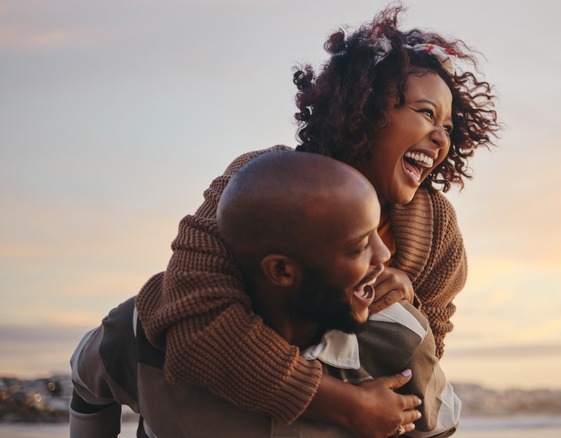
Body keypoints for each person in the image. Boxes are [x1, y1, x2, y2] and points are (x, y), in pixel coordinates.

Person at [135, 4, 498, 437]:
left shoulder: (436, 227)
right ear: (365, 107)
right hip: (215, 411)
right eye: (425, 113)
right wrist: (344, 405)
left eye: (449, 126)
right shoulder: (260, 182)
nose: (441, 138)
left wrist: (409, 308)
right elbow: (195, 323)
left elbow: (424, 363)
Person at [70, 151, 460, 437]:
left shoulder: (400, 339)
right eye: (359, 246)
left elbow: (438, 428)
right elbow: (87, 383)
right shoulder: (146, 329)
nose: (386, 255)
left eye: (380, 231)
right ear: (281, 270)